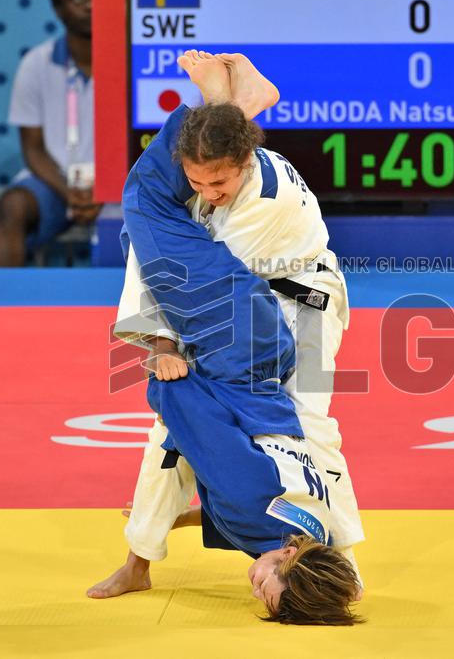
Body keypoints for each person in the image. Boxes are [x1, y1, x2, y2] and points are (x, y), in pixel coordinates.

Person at [89, 52, 365, 619]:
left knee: (314, 427)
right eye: (197, 181)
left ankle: (340, 563)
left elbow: (178, 272)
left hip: (303, 306)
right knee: (172, 428)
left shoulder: (260, 202)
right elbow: (163, 257)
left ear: (246, 161)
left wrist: (162, 342)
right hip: (252, 310)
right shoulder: (220, 175)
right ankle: (139, 559)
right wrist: (162, 344)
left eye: (218, 180)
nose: (208, 190)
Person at [0, 0, 99, 266]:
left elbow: (145, 144)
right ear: (58, 9)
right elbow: (33, 149)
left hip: (121, 184)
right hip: (54, 181)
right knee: (13, 205)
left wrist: (110, 189)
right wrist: (69, 193)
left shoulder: (134, 62)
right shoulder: (36, 63)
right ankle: (3, 307)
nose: (89, 5)